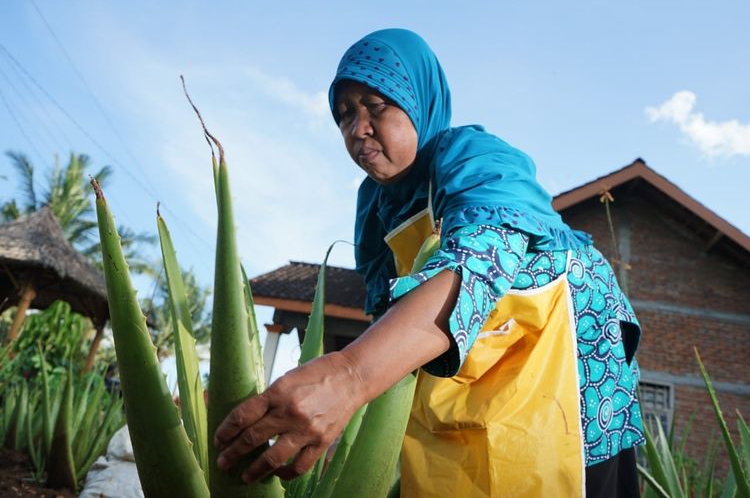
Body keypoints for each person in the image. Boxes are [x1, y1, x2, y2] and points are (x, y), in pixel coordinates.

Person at [214, 28, 644, 497]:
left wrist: (352, 377)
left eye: (376, 105)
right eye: (343, 115)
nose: (357, 129)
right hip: (476, 379)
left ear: (419, 100)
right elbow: (387, 316)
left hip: (572, 377)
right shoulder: (375, 207)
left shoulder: (474, 157)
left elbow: (480, 263)